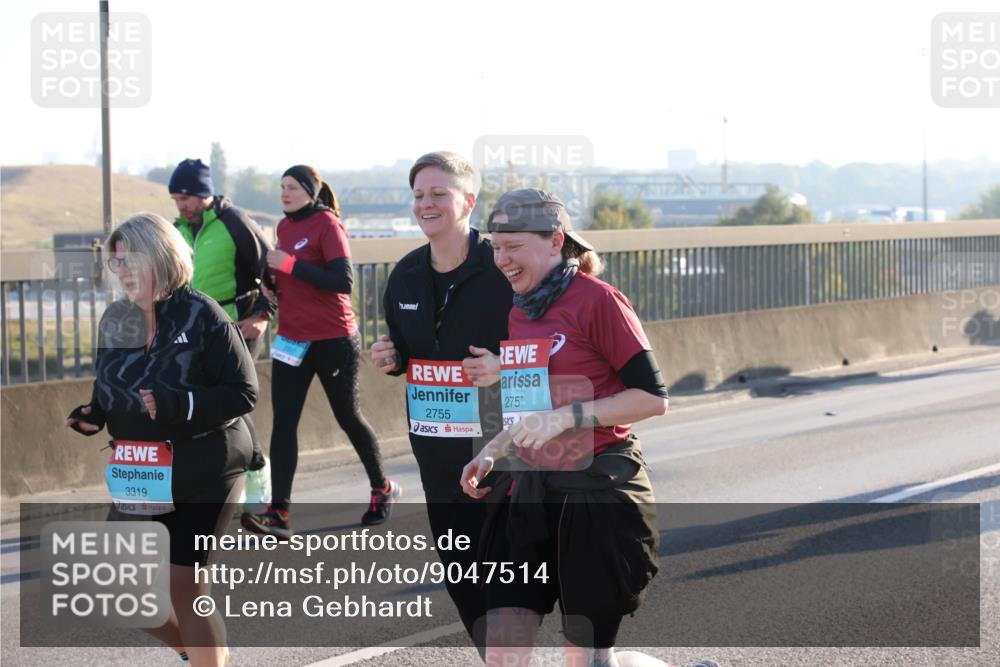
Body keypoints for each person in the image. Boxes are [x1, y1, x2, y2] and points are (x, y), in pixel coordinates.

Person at [459, 189, 677, 667]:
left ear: (555, 242)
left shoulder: (599, 301)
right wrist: (493, 450)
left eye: (513, 246)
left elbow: (653, 398)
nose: (501, 259)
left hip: (596, 491)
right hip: (533, 491)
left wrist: (568, 417)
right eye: (495, 246)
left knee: (586, 660)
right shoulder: (522, 309)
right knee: (502, 653)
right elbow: (528, 401)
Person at [65, 212, 258, 667]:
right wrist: (95, 414)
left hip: (206, 463)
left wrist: (178, 405)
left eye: (132, 260)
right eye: (117, 263)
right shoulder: (115, 320)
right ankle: (200, 652)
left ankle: (207, 657)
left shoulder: (202, 313)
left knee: (184, 586)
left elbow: (243, 391)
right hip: (143, 469)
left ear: (162, 256)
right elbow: (108, 386)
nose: (124, 271)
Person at [371, 151, 512, 652]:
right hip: (435, 453)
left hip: (502, 446)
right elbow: (410, 355)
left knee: (513, 583)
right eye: (417, 195)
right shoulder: (405, 275)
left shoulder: (504, 266)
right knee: (464, 582)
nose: (425, 204)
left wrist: (504, 364)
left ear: (468, 201)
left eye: (438, 194)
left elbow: (551, 347)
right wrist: (391, 358)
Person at [241, 165, 397, 537]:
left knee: (348, 416)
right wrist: (273, 281)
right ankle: (279, 512)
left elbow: (342, 281)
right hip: (292, 340)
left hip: (333, 339)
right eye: (281, 187)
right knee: (283, 424)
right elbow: (290, 280)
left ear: (311, 192)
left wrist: (290, 265)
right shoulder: (283, 228)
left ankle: (382, 489)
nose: (284, 193)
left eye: (292, 187)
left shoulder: (328, 225)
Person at [168, 157, 274, 471]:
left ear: (204, 194)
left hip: (236, 325)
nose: (180, 206)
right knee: (211, 402)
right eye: (175, 200)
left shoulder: (235, 222)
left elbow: (273, 269)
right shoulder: (176, 231)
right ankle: (242, 470)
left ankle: (253, 474)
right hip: (193, 331)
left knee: (230, 400)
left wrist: (262, 315)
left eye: (185, 198)